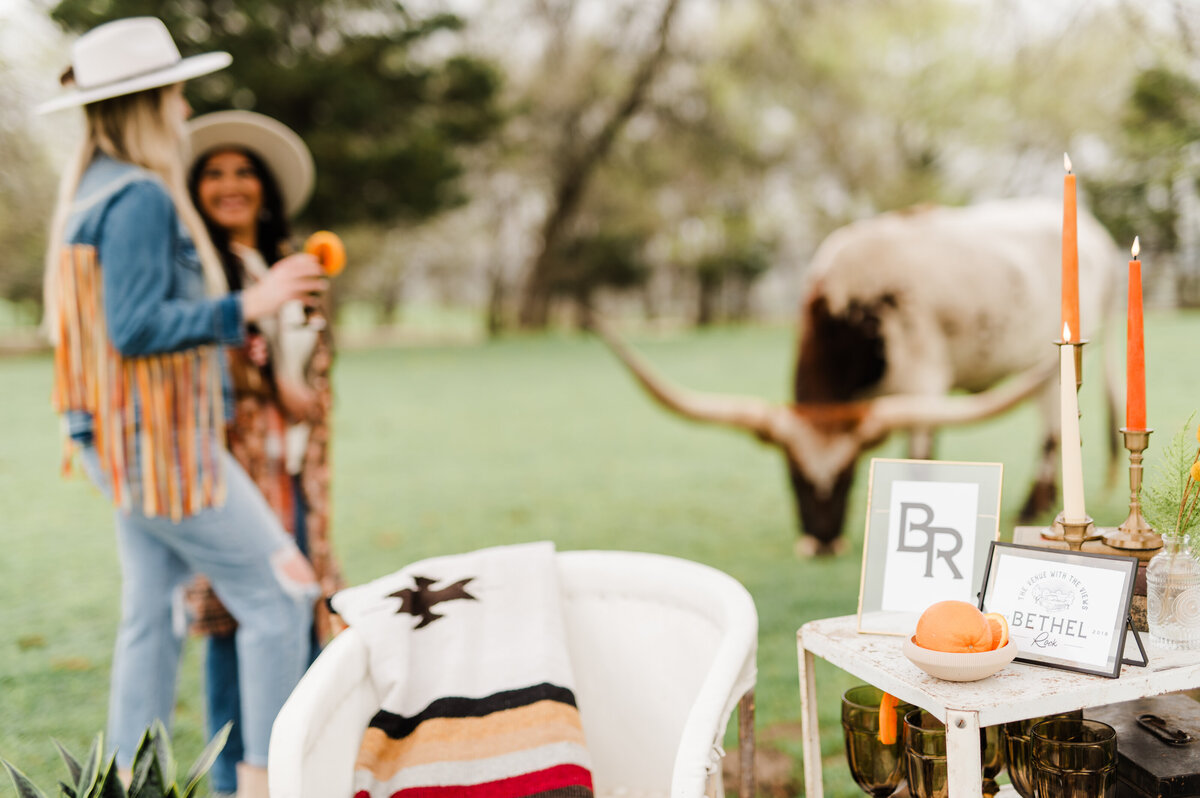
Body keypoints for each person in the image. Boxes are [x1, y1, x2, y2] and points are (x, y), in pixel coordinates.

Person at [37, 17, 326, 798]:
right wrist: (249, 302)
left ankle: (131, 786)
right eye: (175, 92)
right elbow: (134, 329)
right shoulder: (137, 198)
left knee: (152, 614)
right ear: (151, 100)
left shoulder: (94, 191)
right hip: (161, 448)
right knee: (280, 594)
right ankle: (269, 784)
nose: (183, 107)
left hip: (124, 440)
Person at [184, 110, 343, 796]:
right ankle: (234, 777)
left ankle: (300, 769)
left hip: (297, 469)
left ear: (266, 186)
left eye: (243, 171)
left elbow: (316, 365)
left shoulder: (286, 266)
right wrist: (273, 379)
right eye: (214, 173)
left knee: (306, 614)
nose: (230, 185)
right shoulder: (200, 273)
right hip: (234, 469)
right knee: (239, 617)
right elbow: (210, 359)